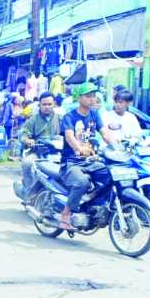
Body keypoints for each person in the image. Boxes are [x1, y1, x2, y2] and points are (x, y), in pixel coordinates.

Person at [59, 82, 119, 230]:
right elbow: (69, 137)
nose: (92, 99)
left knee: (111, 175)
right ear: (79, 98)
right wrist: (79, 148)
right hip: (71, 162)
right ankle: (65, 214)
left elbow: (104, 132)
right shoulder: (69, 116)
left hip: (91, 160)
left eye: (94, 96)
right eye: (88, 96)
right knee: (82, 182)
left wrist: (117, 145)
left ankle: (93, 205)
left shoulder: (94, 114)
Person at [19, 92, 62, 189]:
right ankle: (29, 189)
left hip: (58, 152)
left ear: (54, 104)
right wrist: (27, 140)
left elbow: (68, 132)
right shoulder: (33, 120)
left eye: (49, 104)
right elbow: (23, 134)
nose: (47, 107)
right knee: (27, 163)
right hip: (38, 151)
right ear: (39, 105)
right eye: (44, 104)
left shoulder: (60, 118)